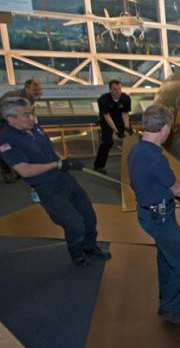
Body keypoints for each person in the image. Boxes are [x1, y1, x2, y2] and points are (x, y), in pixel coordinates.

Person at [0, 97, 111, 266]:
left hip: (65, 179)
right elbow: (24, 170)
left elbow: (50, 150)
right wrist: (57, 164)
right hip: (47, 187)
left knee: (88, 215)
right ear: (10, 118)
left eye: (32, 112)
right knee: (74, 224)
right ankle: (77, 253)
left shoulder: (34, 127)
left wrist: (65, 160)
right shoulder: (6, 139)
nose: (31, 117)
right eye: (26, 114)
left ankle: (90, 247)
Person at [128, 104, 180, 326]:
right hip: (159, 218)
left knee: (166, 254)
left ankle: (169, 290)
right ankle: (171, 307)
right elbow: (176, 188)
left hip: (151, 213)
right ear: (165, 128)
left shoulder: (137, 148)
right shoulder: (156, 159)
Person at [1, 79, 43, 183]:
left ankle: (18, 171)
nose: (37, 92)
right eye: (34, 89)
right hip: (4, 121)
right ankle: (7, 174)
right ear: (27, 88)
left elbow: (28, 115)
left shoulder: (30, 98)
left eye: (38, 89)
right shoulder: (18, 98)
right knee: (5, 147)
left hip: (13, 122)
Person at [94, 79, 132, 175]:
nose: (118, 91)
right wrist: (116, 131)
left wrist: (127, 127)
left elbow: (125, 113)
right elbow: (107, 117)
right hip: (107, 121)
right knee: (107, 142)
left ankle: (133, 164)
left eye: (119, 89)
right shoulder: (103, 99)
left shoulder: (126, 98)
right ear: (110, 90)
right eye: (115, 89)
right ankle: (98, 165)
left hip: (120, 120)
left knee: (130, 138)